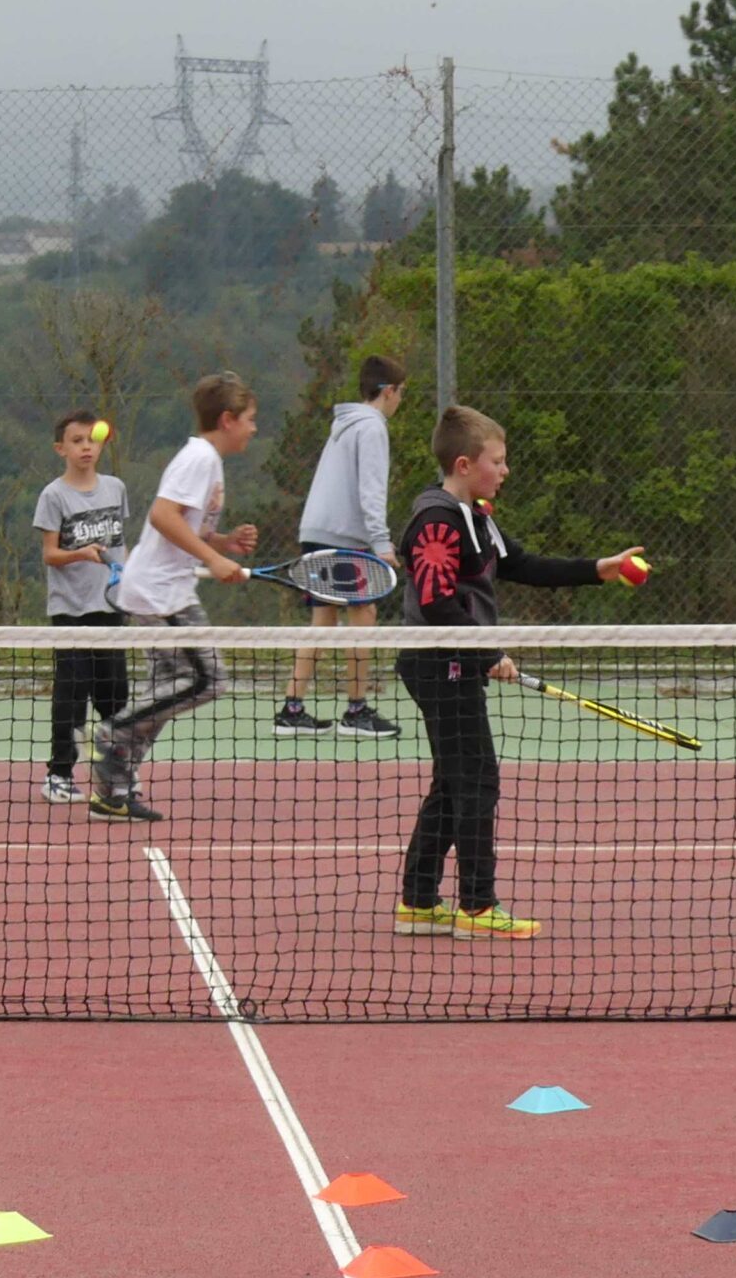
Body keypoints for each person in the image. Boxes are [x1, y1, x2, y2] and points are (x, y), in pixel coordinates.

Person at [394, 406, 646, 939]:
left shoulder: (475, 516)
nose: (506, 471)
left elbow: (522, 565)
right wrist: (488, 653)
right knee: (477, 779)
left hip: (458, 660)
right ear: (465, 464)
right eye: (498, 461)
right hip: (439, 663)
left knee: (454, 779)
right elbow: (437, 603)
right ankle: (478, 909)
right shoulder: (436, 522)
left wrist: (599, 570)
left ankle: (418, 901)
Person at [88, 372, 261, 822]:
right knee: (209, 679)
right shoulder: (199, 458)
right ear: (226, 419)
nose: (254, 428)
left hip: (164, 589)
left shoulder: (208, 461)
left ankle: (113, 791)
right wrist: (213, 558)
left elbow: (185, 525)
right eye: (249, 419)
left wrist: (223, 544)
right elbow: (163, 516)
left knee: (162, 693)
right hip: (160, 595)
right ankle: (114, 733)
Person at [276, 354, 406, 739]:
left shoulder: (346, 425)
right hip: (344, 538)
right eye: (401, 393)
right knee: (363, 616)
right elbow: (371, 490)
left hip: (318, 530)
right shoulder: (371, 427)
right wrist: (381, 543)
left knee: (324, 621)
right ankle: (356, 711)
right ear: (387, 391)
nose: (401, 401)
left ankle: (292, 709)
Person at [33, 410, 130, 804]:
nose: (86, 447)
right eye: (76, 441)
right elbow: (50, 554)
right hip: (71, 611)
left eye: (92, 439)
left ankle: (114, 774)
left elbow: (121, 547)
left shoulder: (116, 488)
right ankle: (59, 774)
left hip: (111, 608)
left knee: (115, 698)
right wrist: (82, 554)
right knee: (72, 695)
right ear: (61, 449)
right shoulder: (53, 495)